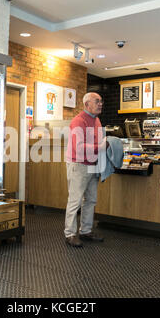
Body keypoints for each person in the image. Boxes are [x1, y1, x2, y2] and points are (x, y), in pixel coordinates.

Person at [64, 92, 106, 247]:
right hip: (79, 164)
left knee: (91, 200)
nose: (100, 104)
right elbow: (79, 147)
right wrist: (100, 147)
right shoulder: (78, 121)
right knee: (75, 201)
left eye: (101, 101)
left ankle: (85, 231)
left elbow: (100, 141)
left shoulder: (97, 120)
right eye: (97, 101)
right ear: (87, 104)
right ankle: (70, 234)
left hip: (93, 165)